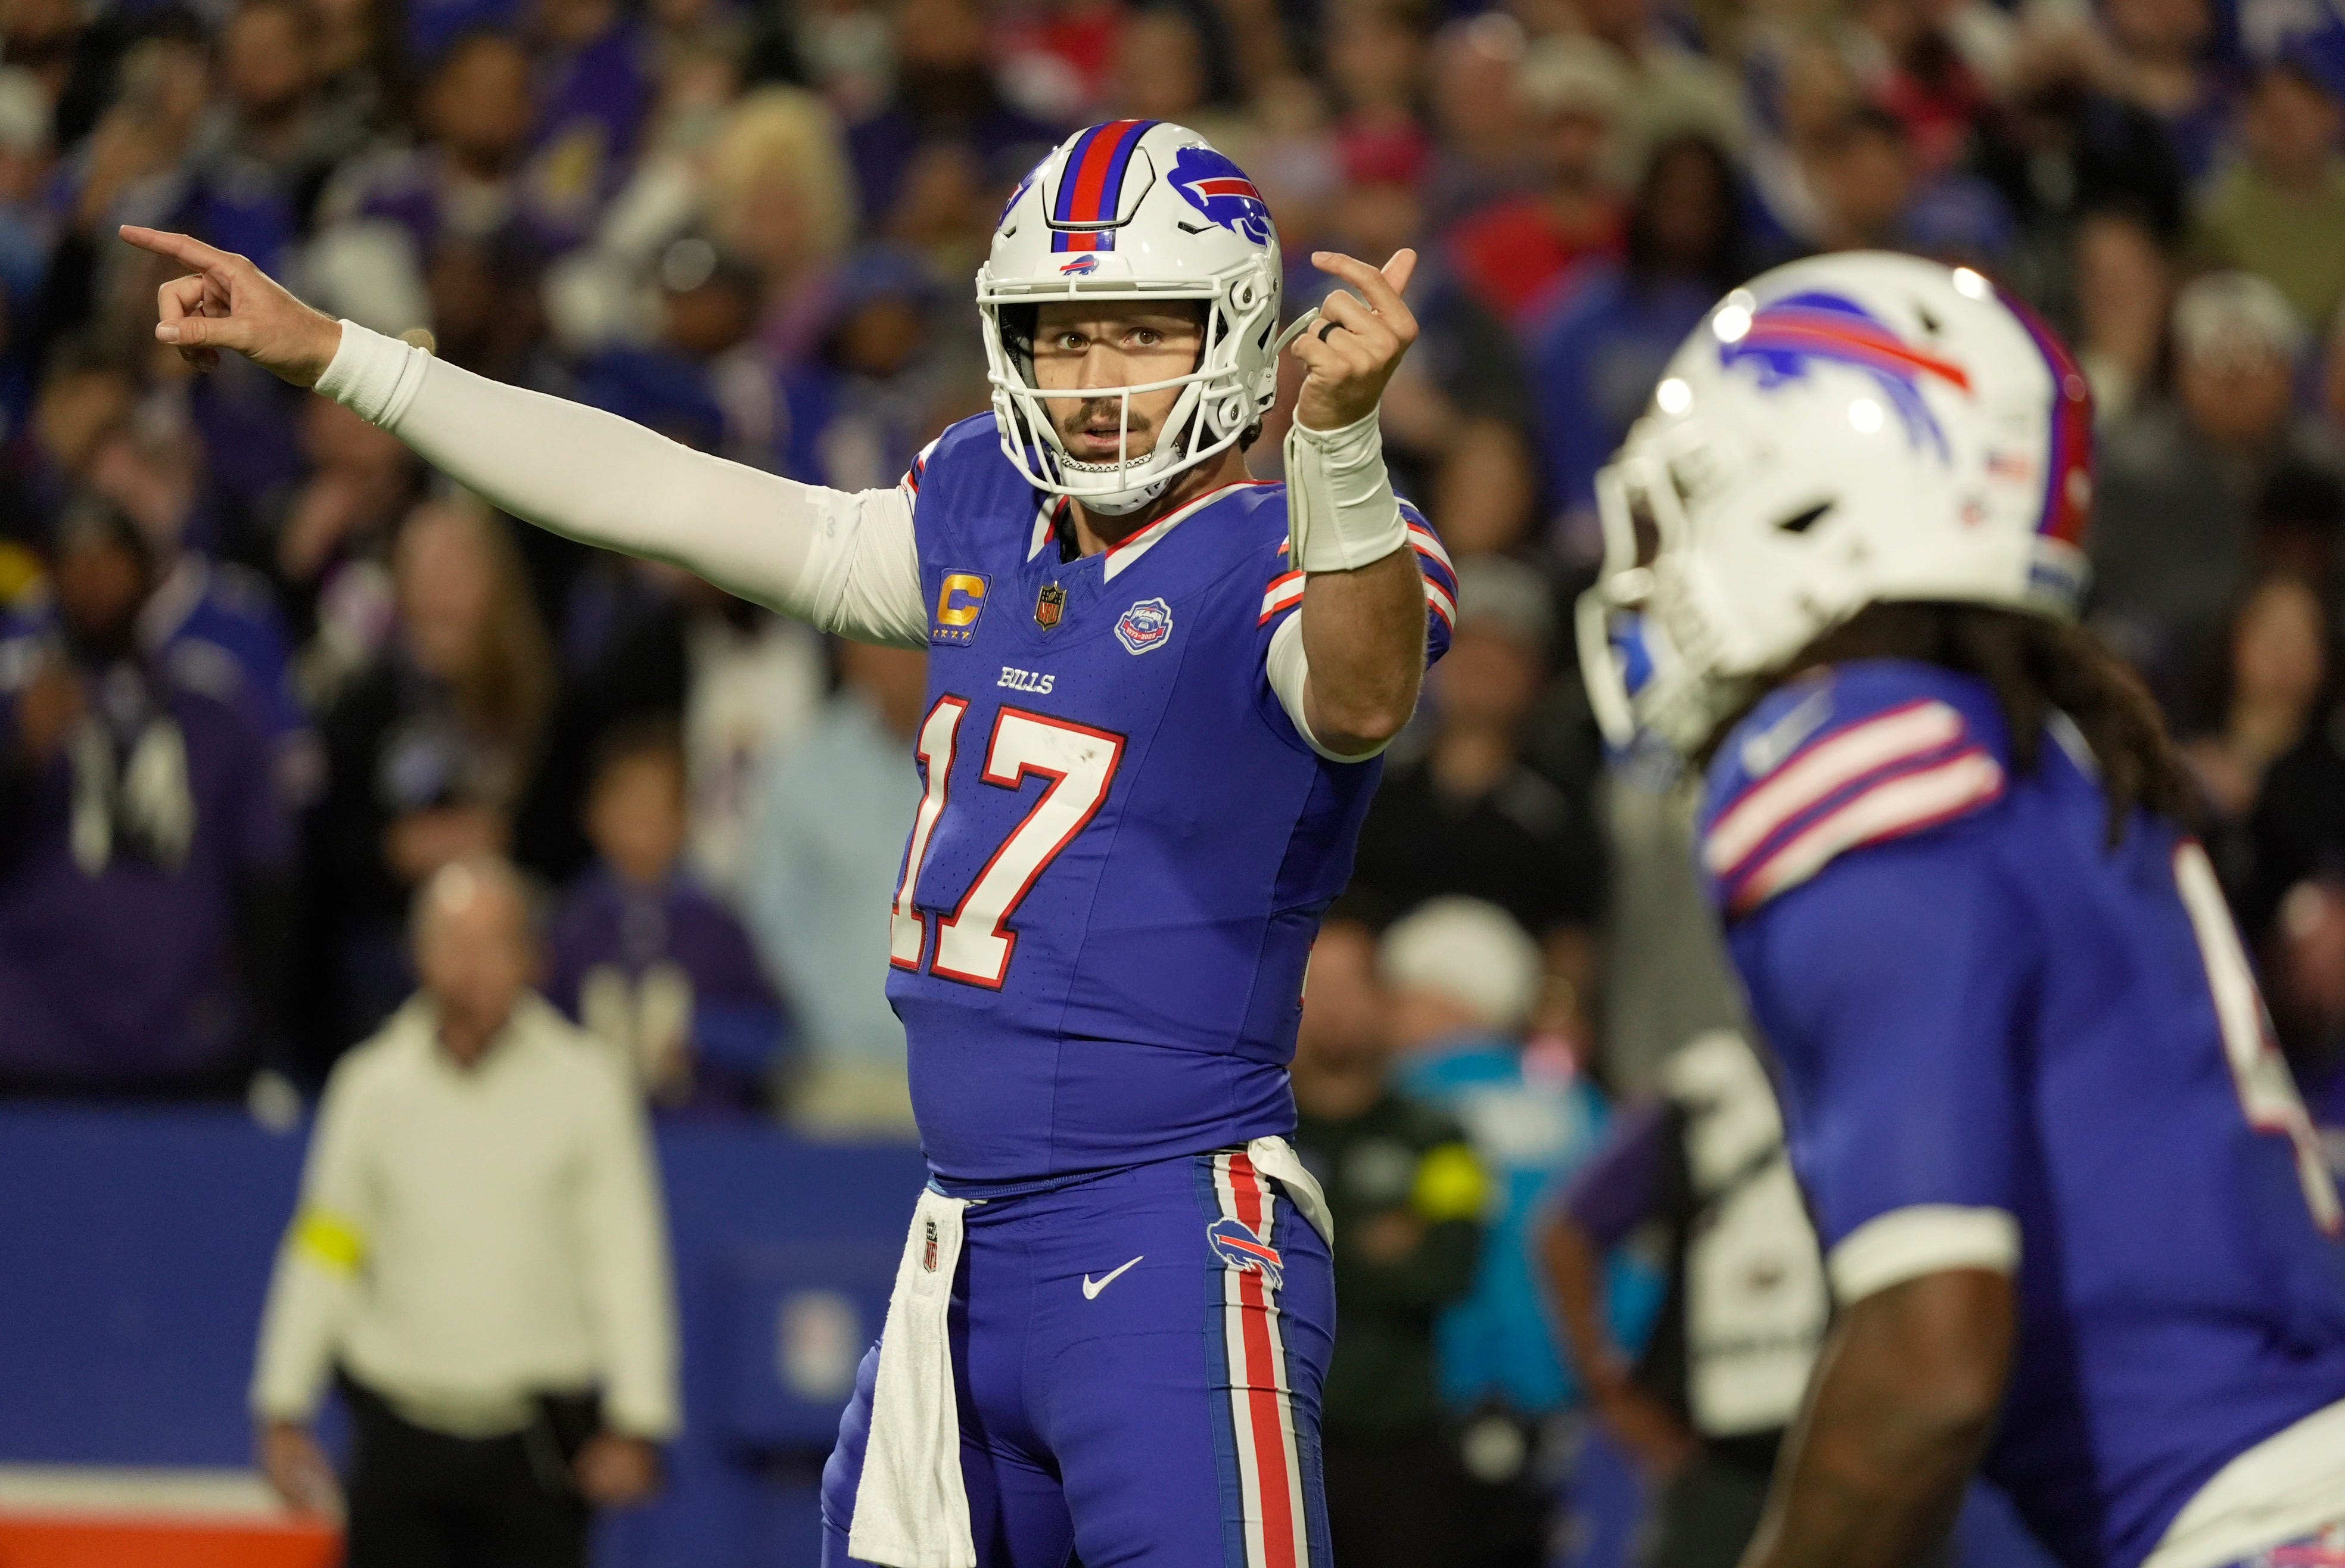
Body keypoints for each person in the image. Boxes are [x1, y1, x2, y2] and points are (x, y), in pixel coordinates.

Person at [125, 112, 1454, 1568]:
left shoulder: (1312, 538)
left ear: (1244, 336)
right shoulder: (982, 510)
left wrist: (1340, 451)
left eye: (1139, 333)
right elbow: (663, 496)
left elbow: (1361, 689)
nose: (1093, 384)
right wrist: (344, 356)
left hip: (1169, 1237)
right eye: (1060, 336)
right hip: (959, 1250)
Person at [1576, 250, 2345, 1568]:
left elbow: (1928, 1363)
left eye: (1688, 507)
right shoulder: (2034, 739)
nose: (1653, 568)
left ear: (1818, 507)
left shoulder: (1857, 754)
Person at [250, 856, 677, 1567]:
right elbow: (326, 1245)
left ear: (530, 958)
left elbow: (624, 1253)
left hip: (536, 1447)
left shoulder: (586, 1086)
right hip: (397, 1439)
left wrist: (639, 1417)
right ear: (418, 956)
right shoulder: (371, 1088)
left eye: (490, 944)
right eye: (449, 944)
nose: (466, 968)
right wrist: (282, 1400)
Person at [0, 500, 291, 1093]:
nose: (93, 581)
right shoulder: (18, 711)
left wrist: (257, 1022)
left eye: (110, 562)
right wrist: (18, 761)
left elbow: (271, 879)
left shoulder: (214, 714)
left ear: (150, 575)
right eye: (75, 564)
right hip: (33, 1043)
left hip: (187, 1043)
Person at [1382, 895, 1616, 1566]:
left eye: (1404, 993)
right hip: (1573, 1402)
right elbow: (1628, 1262)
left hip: (1431, 1410)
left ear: (1447, 998)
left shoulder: (1403, 1100)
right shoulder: (1579, 1104)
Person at [1543, 1029, 1831, 1568]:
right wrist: (1610, 1389)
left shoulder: (1884, 1086)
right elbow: (1566, 1235)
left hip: (1868, 1442)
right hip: (1723, 1463)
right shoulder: (1708, 1095)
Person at [1288, 914, 1486, 1568]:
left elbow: (1452, 1266)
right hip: (1281, 1442)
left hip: (1406, 1446)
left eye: (1356, 984)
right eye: (1321, 984)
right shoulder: (1256, 1142)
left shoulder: (1441, 1136)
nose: (1339, 1006)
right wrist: (1373, 1245)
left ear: (1386, 1000)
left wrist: (1314, 1252)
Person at [544, 718, 787, 1113]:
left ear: (685, 817)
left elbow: (770, 1037)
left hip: (702, 1136)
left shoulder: (716, 927)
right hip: (591, 1129)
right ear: (594, 815)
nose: (641, 819)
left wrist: (698, 1036)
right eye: (626, 802)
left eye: (658, 804)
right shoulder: (570, 928)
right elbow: (538, 1032)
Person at [744, 637, 927, 1135]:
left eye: (914, 643)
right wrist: (828, 1022)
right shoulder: (807, 765)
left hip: (965, 1076)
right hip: (838, 1069)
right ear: (851, 656)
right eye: (881, 643)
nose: (898, 661)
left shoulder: (991, 761)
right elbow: (770, 922)